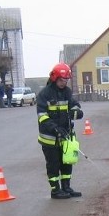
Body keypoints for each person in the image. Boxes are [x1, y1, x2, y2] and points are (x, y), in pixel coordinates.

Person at [36, 62, 84, 199]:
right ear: (55, 78)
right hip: (49, 138)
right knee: (53, 165)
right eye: (62, 80)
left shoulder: (67, 92)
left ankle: (66, 187)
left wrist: (76, 112)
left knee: (67, 163)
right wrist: (55, 128)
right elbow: (42, 116)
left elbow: (74, 105)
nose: (64, 83)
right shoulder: (44, 94)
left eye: (66, 80)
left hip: (65, 136)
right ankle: (55, 190)